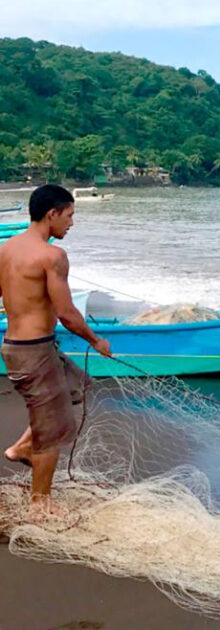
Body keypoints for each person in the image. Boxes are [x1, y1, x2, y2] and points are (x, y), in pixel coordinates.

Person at [0, 184, 112, 513]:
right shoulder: (53, 256)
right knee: (52, 431)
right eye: (69, 215)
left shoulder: (6, 249)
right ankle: (41, 505)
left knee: (77, 386)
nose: (71, 224)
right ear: (52, 214)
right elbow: (67, 314)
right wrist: (96, 341)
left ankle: (21, 447)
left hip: (20, 347)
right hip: (33, 352)